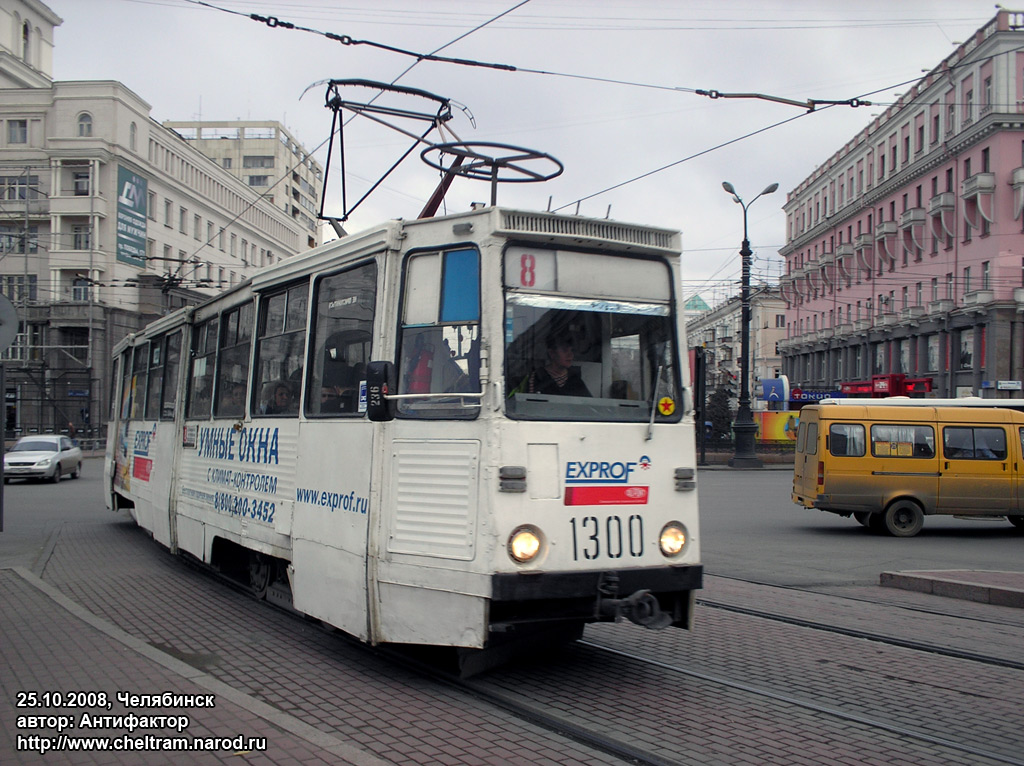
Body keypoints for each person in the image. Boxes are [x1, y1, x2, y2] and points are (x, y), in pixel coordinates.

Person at [523, 333, 592, 397]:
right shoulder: (536, 377)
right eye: (565, 350)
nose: (570, 355)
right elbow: (530, 404)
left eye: (572, 350)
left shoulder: (575, 379)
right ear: (552, 353)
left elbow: (587, 404)